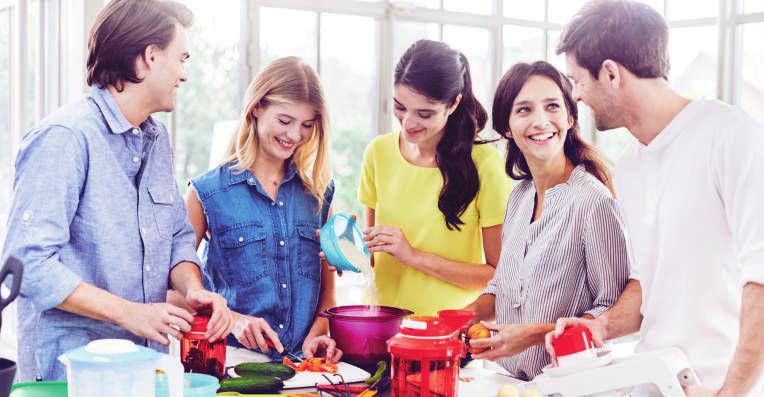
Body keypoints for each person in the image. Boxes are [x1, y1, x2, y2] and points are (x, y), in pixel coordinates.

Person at [1, 0, 232, 381]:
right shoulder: (66, 138)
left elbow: (176, 235)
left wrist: (192, 289)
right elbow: (27, 267)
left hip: (146, 369)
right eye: (182, 58)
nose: (184, 74)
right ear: (149, 58)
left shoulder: (156, 140)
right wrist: (130, 312)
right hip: (72, 375)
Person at [545, 1, 764, 395]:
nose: (576, 96)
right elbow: (651, 280)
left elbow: (761, 278)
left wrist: (731, 393)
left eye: (578, 81)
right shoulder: (629, 166)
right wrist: (602, 327)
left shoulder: (730, 135)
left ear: (610, 73)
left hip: (719, 386)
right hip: (653, 382)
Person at [462, 60, 629, 380]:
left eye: (552, 106)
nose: (540, 121)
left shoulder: (593, 202)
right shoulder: (520, 197)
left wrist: (533, 334)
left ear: (569, 116)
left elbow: (610, 312)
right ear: (507, 127)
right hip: (511, 380)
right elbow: (502, 286)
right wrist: (457, 319)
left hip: (571, 383)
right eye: (523, 110)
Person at [183, 57, 341, 363]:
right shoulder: (206, 193)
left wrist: (320, 330)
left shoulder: (319, 196)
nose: (295, 135)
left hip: (302, 369)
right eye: (285, 121)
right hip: (230, 366)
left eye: (307, 125)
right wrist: (232, 318)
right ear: (257, 107)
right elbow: (173, 291)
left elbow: (328, 296)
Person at [358, 39, 511, 316]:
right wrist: (345, 254)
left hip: (446, 334)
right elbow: (371, 255)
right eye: (400, 107)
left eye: (424, 113)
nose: (408, 123)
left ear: (453, 104)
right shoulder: (378, 153)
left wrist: (414, 257)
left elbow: (498, 277)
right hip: (380, 325)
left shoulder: (485, 164)